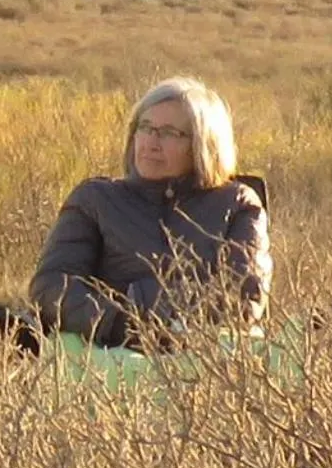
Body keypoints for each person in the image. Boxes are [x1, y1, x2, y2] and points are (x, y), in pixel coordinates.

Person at [30, 77, 271, 361]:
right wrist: (122, 324)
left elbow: (244, 297)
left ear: (203, 145)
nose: (151, 143)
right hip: (110, 365)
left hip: (209, 367)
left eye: (169, 132)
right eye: (145, 128)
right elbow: (51, 285)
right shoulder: (95, 199)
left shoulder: (238, 203)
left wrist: (147, 301)